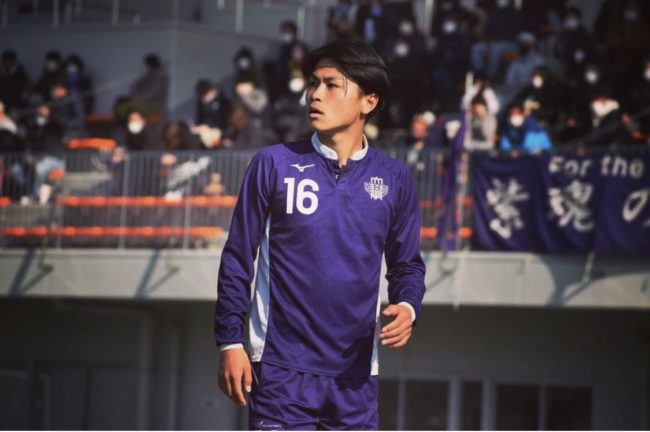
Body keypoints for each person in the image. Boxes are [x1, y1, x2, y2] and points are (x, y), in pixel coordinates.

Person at [215, 38, 426, 430]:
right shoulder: (272, 164)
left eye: (331, 85)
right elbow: (238, 257)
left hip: (355, 378)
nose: (314, 94)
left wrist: (408, 306)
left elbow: (407, 265)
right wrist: (230, 340)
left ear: (369, 101)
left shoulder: (395, 179)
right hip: (280, 371)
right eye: (313, 83)